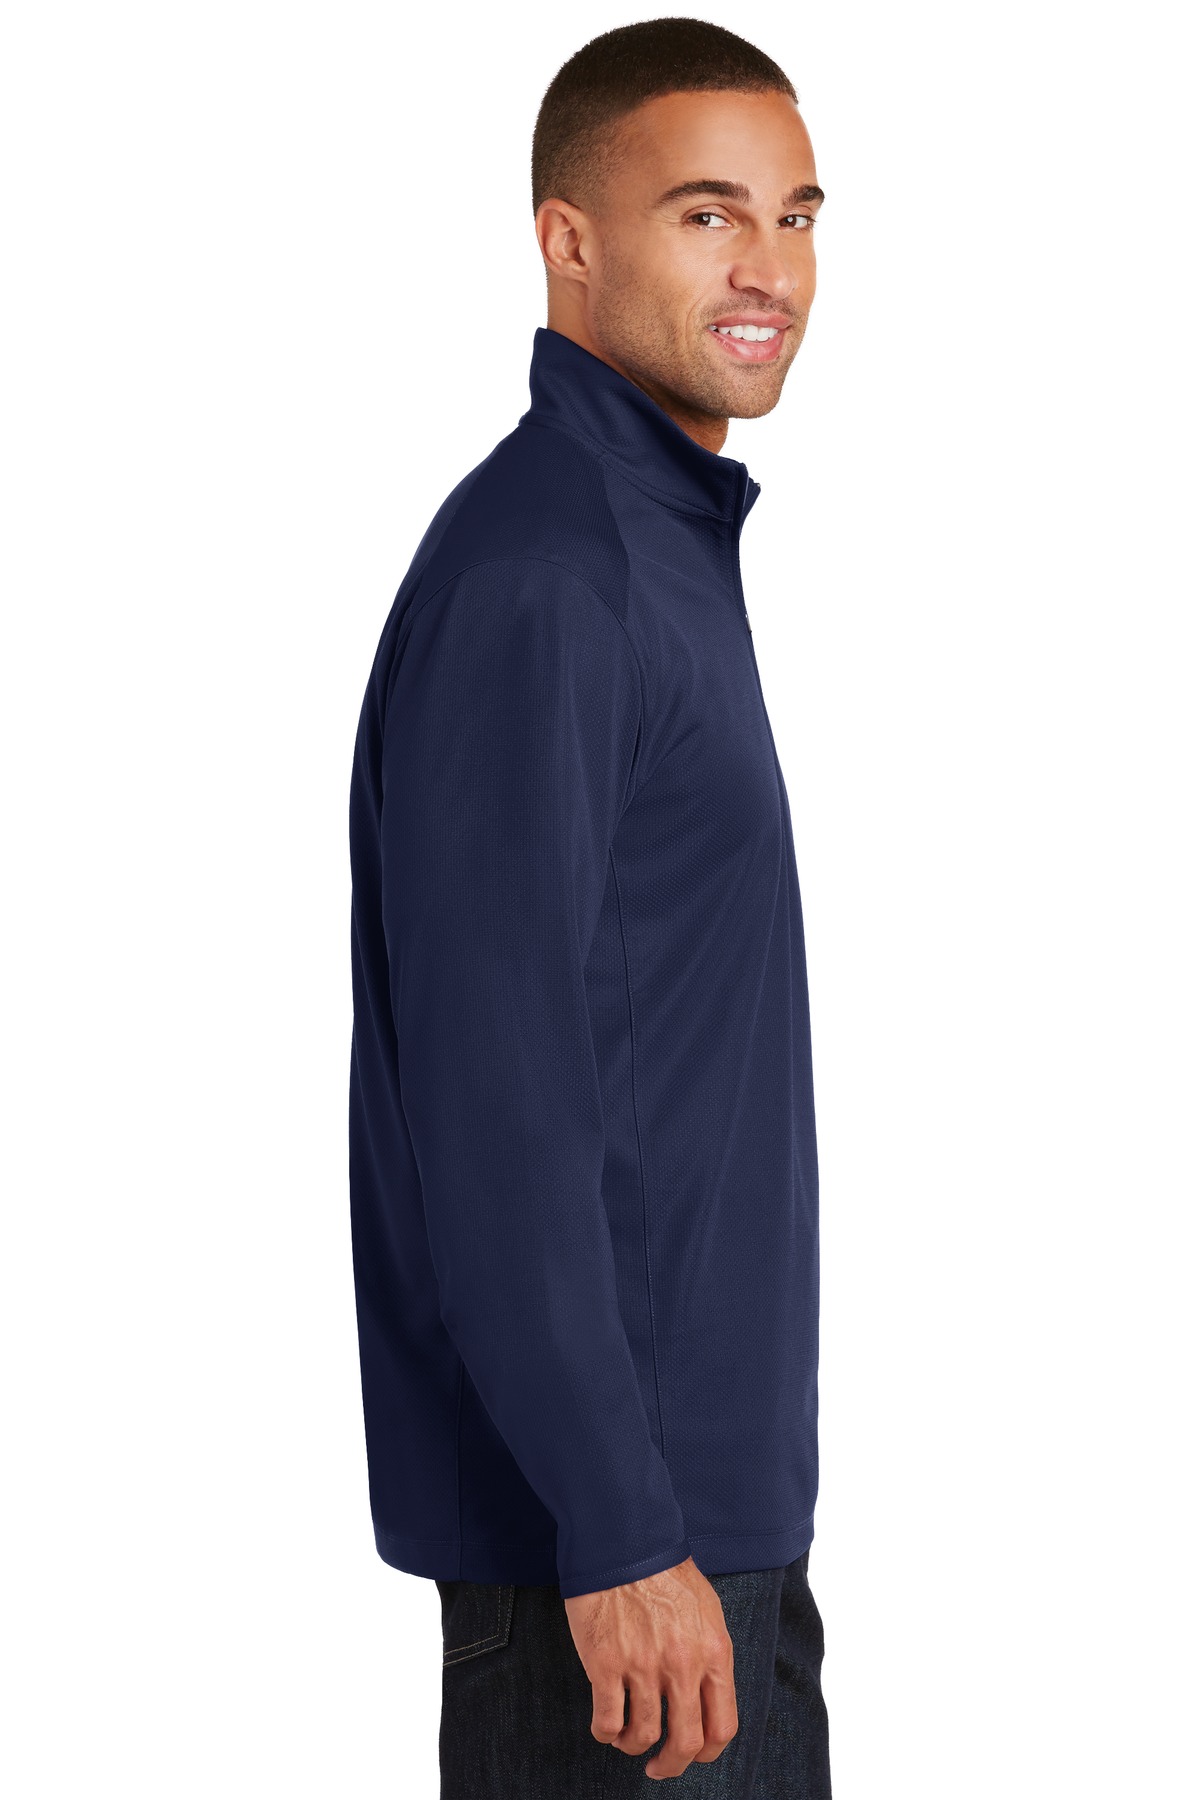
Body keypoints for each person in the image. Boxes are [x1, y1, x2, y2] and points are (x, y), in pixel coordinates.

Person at [347, 18, 832, 1793]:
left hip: (697, 1532)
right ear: (568, 241)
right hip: (619, 1567)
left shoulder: (654, 539)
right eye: (707, 214)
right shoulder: (554, 570)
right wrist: (622, 1528)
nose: (767, 267)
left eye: (795, 216)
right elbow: (497, 1097)